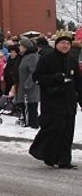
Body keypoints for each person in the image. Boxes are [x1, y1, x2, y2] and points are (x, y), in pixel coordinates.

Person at [30, 32, 82, 169]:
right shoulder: (47, 59)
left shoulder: (72, 60)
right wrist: (55, 78)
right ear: (56, 45)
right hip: (52, 102)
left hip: (69, 102)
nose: (65, 46)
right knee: (55, 129)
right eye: (62, 43)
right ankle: (49, 156)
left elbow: (78, 82)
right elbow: (37, 78)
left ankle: (64, 160)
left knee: (67, 132)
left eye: (68, 43)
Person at [13, 37, 40, 128]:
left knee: (31, 106)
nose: (19, 47)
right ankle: (26, 122)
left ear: (25, 47)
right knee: (24, 106)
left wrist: (27, 84)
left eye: (20, 45)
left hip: (30, 87)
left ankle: (32, 124)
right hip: (22, 86)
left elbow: (34, 72)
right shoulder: (23, 56)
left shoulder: (32, 56)